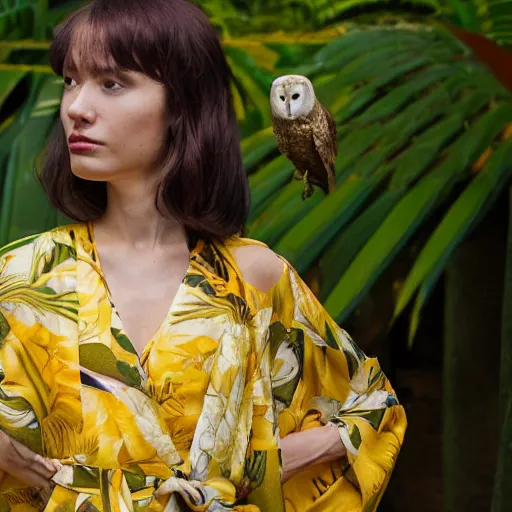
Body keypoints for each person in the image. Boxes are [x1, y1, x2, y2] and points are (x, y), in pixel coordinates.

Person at [0, 0, 407, 510]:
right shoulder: (22, 277)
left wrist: (267, 462)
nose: (76, 107)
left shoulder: (251, 275)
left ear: (183, 104)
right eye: (70, 80)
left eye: (112, 83)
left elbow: (373, 410)